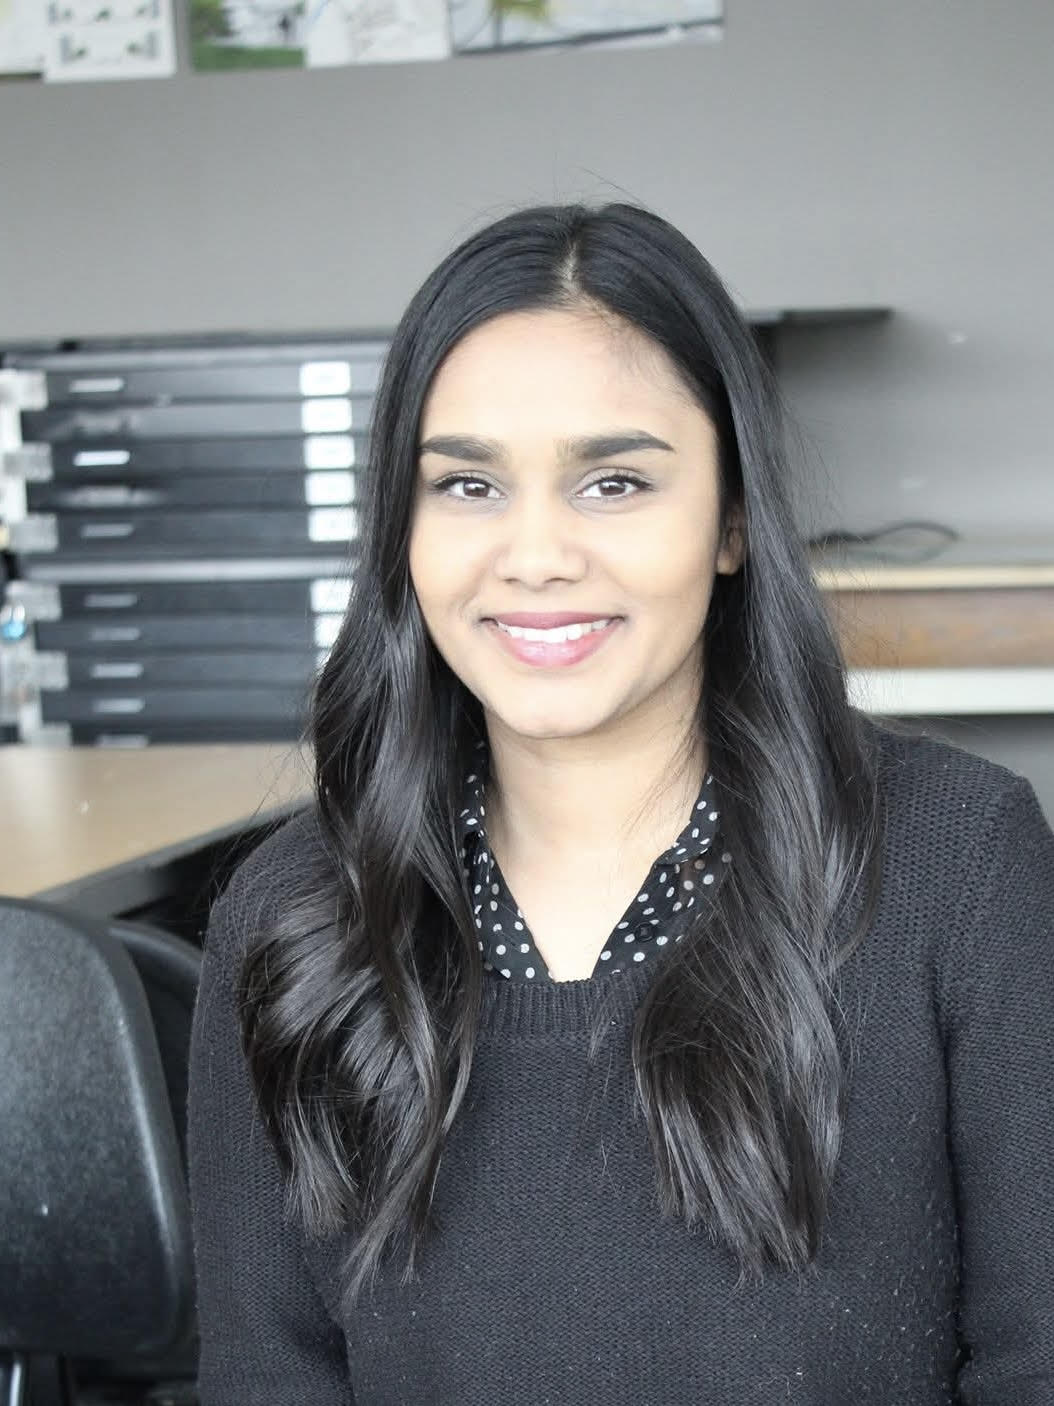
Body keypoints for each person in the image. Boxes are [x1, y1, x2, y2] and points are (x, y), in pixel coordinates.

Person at [187, 202, 1054, 1405]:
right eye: (468, 483)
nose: (536, 553)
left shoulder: (960, 863)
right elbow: (265, 1375)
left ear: (732, 519)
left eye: (613, 481)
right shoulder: (294, 917)